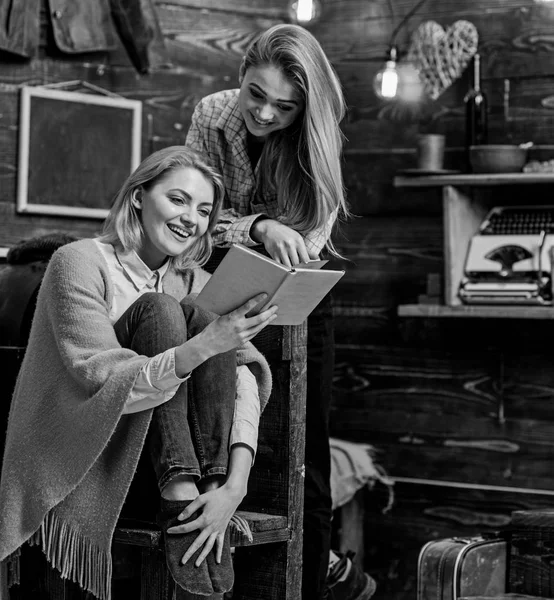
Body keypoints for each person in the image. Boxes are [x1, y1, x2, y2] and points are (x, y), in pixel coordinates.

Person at [0, 146, 277, 600]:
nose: (192, 218)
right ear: (137, 198)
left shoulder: (195, 281)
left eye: (205, 210)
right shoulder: (78, 262)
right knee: (161, 312)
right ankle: (180, 495)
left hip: (176, 467)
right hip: (86, 455)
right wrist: (205, 345)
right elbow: (100, 380)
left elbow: (242, 379)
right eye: (179, 199)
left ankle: (203, 492)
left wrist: (233, 488)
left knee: (200, 315)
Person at [185, 23, 376, 600]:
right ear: (239, 76)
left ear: (307, 107)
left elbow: (310, 241)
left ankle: (314, 582)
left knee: (303, 458)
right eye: (255, 94)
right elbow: (195, 218)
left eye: (284, 107)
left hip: (297, 302)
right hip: (218, 292)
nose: (265, 113)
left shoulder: (319, 140)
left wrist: (262, 234)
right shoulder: (212, 115)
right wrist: (259, 226)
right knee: (223, 440)